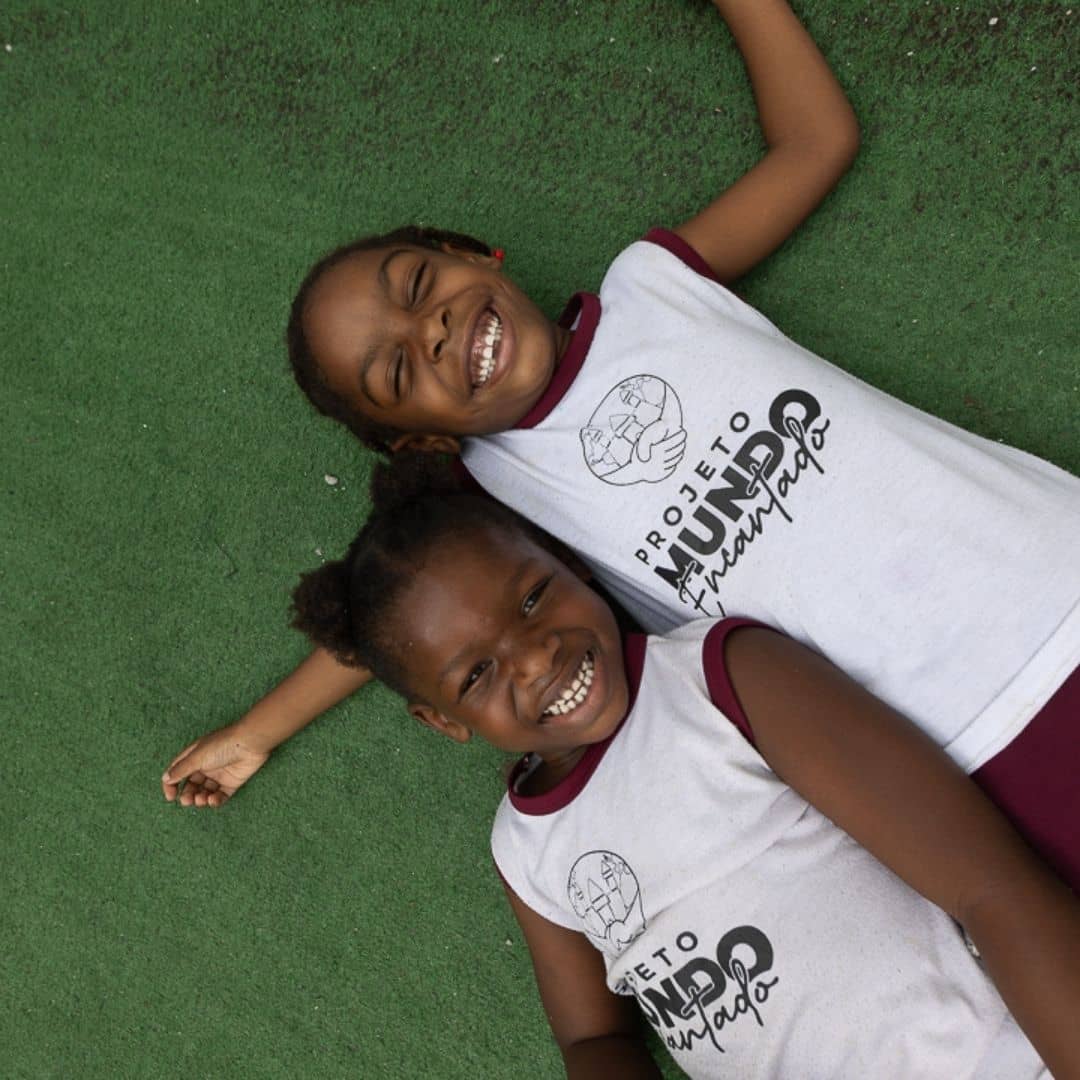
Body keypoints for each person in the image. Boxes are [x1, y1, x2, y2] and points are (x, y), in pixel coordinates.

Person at [162, 0, 1079, 890]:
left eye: (417, 286)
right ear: (419, 440)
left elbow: (815, 140)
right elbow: (388, 619)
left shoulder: (655, 284)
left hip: (1052, 558)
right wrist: (255, 732)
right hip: (966, 738)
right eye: (399, 370)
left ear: (468, 251)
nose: (430, 332)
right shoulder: (497, 499)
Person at [289, 487, 1079, 1077]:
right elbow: (594, 1037)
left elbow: (987, 883)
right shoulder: (525, 850)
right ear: (443, 721)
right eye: (477, 675)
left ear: (568, 563)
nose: (535, 658)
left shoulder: (719, 680)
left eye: (532, 598)